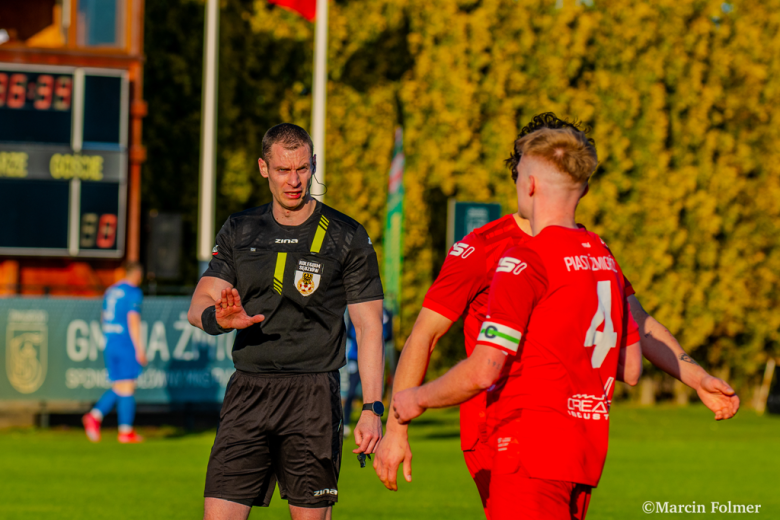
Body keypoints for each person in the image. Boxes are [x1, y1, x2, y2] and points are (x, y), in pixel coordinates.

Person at [373, 114, 740, 515]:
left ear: (529, 180)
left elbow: (639, 321)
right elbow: (426, 333)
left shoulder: (558, 255)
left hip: (528, 439)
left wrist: (696, 376)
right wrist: (396, 429)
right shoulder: (532, 249)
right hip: (515, 434)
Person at [392, 126, 642, 519]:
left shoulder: (524, 259)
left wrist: (413, 400)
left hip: (525, 443)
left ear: (529, 185)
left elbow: (484, 369)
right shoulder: (600, 255)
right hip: (584, 447)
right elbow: (632, 363)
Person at [187, 123, 385, 520]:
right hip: (248, 392)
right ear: (264, 168)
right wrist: (219, 318)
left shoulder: (347, 236)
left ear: (313, 165)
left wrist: (372, 408)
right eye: (283, 170)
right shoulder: (240, 229)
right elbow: (199, 304)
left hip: (313, 396)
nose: (294, 181)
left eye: (302, 169)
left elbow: (368, 327)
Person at [82, 261, 147, 444]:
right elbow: (133, 319)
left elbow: (104, 317)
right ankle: (124, 431)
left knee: (120, 386)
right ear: (135, 274)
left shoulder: (111, 291)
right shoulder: (133, 292)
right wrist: (139, 348)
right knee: (127, 386)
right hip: (125, 342)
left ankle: (96, 417)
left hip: (110, 341)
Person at [343, 307, 393, 437]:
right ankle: (346, 423)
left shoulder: (386, 313)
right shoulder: (355, 310)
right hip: (355, 356)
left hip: (375, 359)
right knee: (351, 392)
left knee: (378, 394)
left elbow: (389, 335)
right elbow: (349, 332)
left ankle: (381, 425)